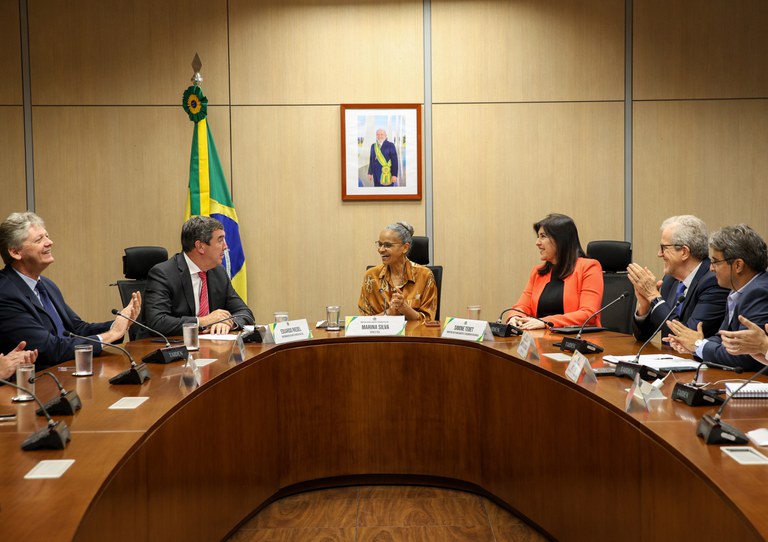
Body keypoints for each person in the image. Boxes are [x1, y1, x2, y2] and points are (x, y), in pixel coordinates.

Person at [0, 212, 140, 370]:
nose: (49, 242)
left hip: (68, 372)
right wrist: (112, 334)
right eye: (39, 240)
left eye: (47, 236)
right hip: (39, 383)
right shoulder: (5, 293)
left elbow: (77, 329)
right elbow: (50, 349)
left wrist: (120, 322)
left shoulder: (46, 284)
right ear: (15, 252)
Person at [666, 224, 768, 371]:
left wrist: (698, 345)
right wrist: (696, 343)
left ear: (738, 265)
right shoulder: (738, 291)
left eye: (715, 262)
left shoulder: (759, 292)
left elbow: (742, 355)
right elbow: (722, 338)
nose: (711, 268)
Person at [143, 215, 254, 337]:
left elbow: (245, 313)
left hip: (207, 348)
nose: (226, 247)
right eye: (220, 240)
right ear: (200, 246)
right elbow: (157, 322)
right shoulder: (163, 274)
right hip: (169, 349)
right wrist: (203, 321)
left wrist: (229, 323)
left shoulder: (218, 272)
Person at [629, 215, 728, 342]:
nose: (659, 254)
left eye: (664, 248)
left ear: (684, 252)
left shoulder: (714, 282)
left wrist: (654, 297)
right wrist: (645, 306)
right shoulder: (670, 280)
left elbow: (687, 338)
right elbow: (643, 336)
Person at [508, 213, 604, 330]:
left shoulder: (589, 267)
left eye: (543, 236)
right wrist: (515, 317)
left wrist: (546, 322)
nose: (537, 243)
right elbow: (522, 306)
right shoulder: (538, 272)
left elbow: (589, 314)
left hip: (575, 341)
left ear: (560, 240)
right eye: (538, 237)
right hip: (540, 340)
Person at [358, 221, 437, 321]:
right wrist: (389, 313)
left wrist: (405, 308)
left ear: (405, 247)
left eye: (387, 245)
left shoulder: (425, 276)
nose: (381, 250)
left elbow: (429, 321)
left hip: (413, 336)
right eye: (380, 244)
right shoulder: (371, 277)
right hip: (380, 336)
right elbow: (363, 322)